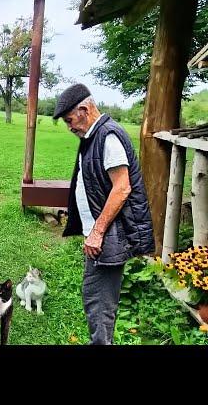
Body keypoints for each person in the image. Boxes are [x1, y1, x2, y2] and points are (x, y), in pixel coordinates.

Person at [53, 83, 154, 345]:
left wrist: (97, 232)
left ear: (84, 110)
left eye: (70, 120)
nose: (70, 127)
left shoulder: (108, 137)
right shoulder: (94, 136)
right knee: (94, 295)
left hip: (110, 236)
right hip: (103, 236)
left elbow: (122, 188)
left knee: (99, 301)